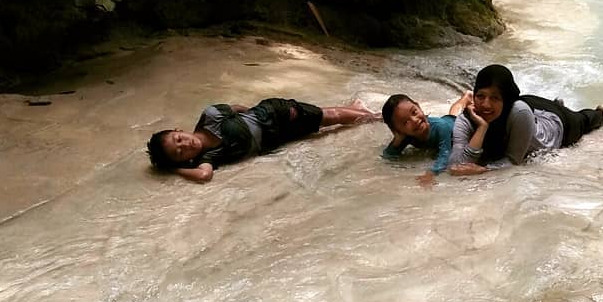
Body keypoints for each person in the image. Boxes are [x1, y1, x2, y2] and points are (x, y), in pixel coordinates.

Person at [147, 96, 379, 182]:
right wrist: (173, 169)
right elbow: (204, 175)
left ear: (179, 130)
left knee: (328, 117)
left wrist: (254, 116)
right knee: (322, 120)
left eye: (179, 139)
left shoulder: (210, 117)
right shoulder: (208, 156)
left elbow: (236, 107)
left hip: (272, 115)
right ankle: (355, 107)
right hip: (275, 138)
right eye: (179, 152)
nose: (185, 145)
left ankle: (374, 117)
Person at [449, 64, 603, 175]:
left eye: (495, 98)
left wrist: (484, 170)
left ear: (506, 98)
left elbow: (513, 161)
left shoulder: (518, 112)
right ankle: (556, 104)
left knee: (583, 121)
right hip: (529, 108)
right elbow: (456, 166)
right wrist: (482, 127)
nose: (485, 105)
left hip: (555, 126)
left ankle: (599, 113)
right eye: (480, 96)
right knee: (532, 111)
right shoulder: (467, 118)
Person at [380, 90, 471, 186]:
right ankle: (466, 97)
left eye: (414, 112)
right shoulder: (407, 136)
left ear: (419, 107)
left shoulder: (441, 128)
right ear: (398, 130)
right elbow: (388, 156)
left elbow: (445, 155)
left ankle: (466, 98)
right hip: (447, 120)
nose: (414, 120)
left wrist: (431, 173)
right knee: (453, 114)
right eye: (406, 122)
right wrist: (397, 139)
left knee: (455, 116)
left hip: (455, 125)